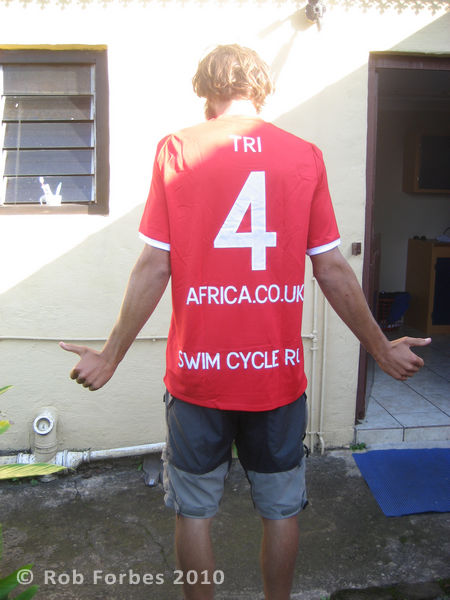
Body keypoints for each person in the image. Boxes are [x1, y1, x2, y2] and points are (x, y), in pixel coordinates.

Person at [60, 44, 431, 600]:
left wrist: (110, 356)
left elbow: (154, 265)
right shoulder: (304, 156)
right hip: (275, 378)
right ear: (260, 90)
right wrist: (381, 349)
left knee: (194, 512)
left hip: (198, 377)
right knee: (281, 510)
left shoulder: (178, 149)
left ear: (207, 91)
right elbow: (332, 268)